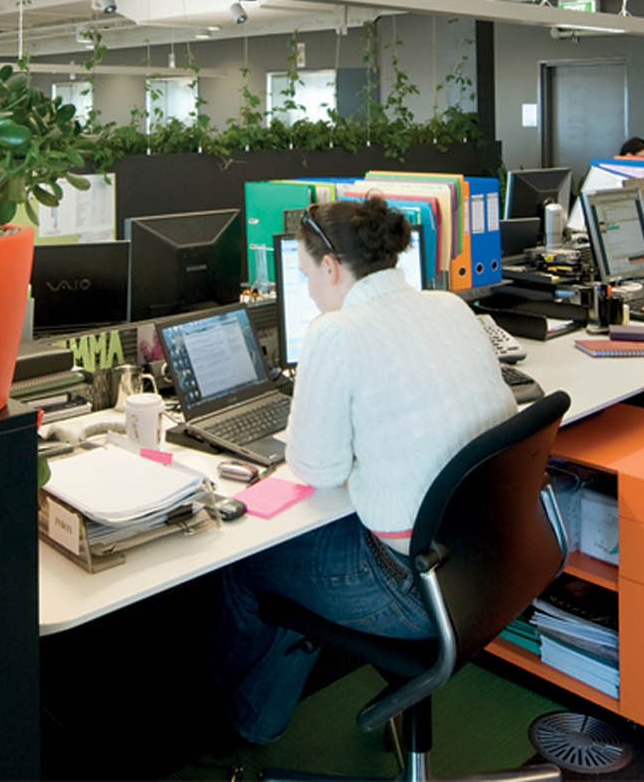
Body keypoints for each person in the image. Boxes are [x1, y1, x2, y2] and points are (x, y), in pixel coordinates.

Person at [211, 195, 516, 744]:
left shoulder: (336, 333)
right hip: (490, 568)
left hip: (411, 591)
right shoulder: (449, 305)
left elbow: (317, 470)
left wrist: (349, 441)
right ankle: (260, 711)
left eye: (305, 275)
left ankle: (239, 720)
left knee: (250, 565)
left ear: (331, 267)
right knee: (306, 549)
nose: (307, 290)